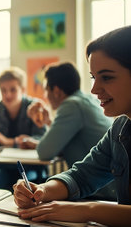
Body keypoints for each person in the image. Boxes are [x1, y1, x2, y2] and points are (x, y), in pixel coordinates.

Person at [13, 25, 131, 226]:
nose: (94, 89)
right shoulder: (119, 127)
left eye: (107, 77)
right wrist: (42, 190)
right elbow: (82, 174)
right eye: (94, 77)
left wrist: (88, 210)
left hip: (102, 198)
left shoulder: (73, 105)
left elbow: (45, 151)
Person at [0, 67, 47, 189]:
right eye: (3, 90)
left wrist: (8, 141)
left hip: (31, 167)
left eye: (13, 90)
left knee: (27, 187)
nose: (8, 95)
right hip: (2, 167)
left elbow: (42, 140)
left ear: (22, 90)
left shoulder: (35, 108)